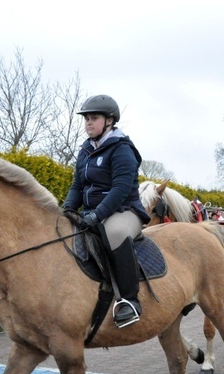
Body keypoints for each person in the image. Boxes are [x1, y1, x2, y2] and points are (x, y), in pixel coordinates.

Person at [63, 94, 150, 328]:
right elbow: (78, 186)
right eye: (86, 119)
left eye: (93, 118)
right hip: (94, 212)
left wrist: (97, 215)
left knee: (114, 233)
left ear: (109, 121)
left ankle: (129, 301)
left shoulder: (122, 149)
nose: (88, 123)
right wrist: (68, 208)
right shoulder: (85, 150)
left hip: (125, 211)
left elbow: (120, 190)